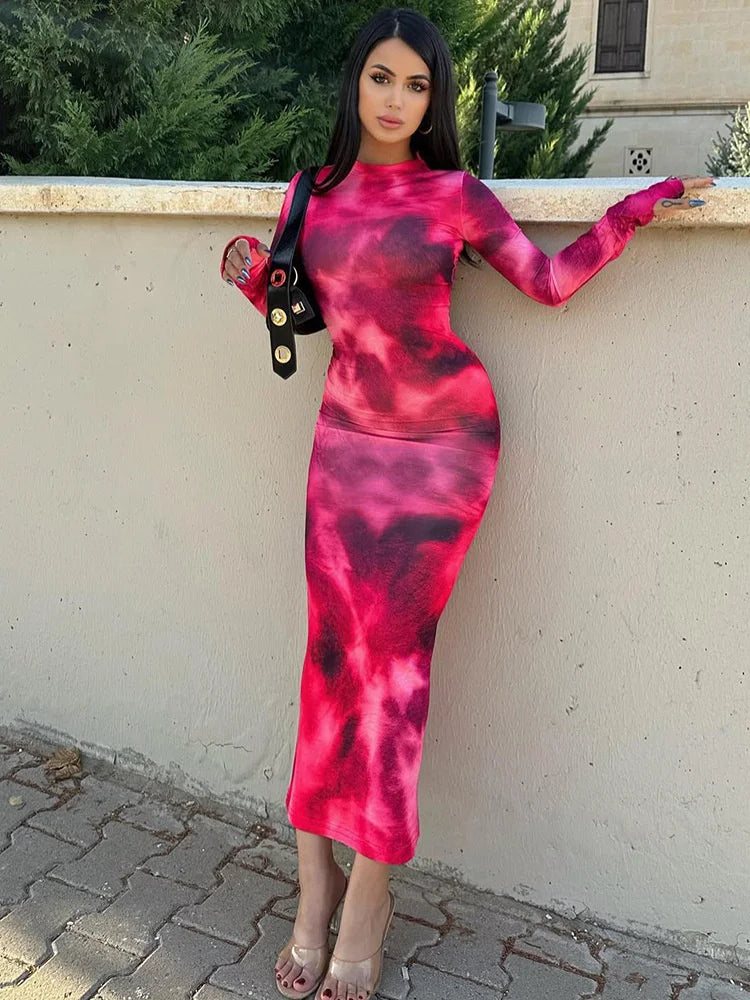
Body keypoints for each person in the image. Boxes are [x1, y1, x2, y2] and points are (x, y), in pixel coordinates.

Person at [220, 8, 712, 1000]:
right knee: (329, 664)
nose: (398, 100)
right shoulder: (310, 192)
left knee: (393, 677)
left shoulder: (454, 194)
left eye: (419, 86)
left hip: (445, 454)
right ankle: (313, 888)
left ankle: (369, 898)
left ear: (434, 101)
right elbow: (304, 312)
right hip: (345, 448)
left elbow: (550, 282)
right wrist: (254, 278)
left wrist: (636, 208)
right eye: (383, 78)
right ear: (355, 81)